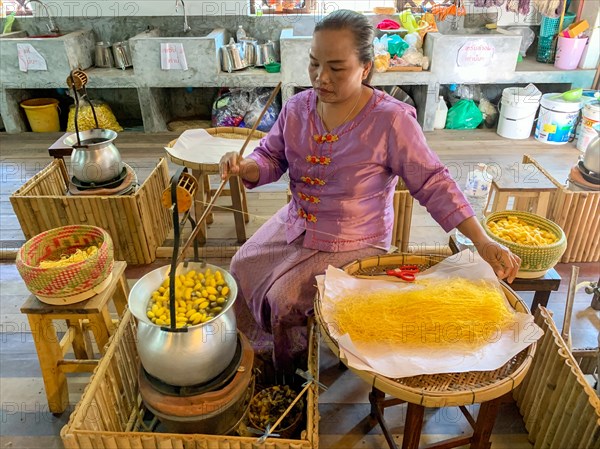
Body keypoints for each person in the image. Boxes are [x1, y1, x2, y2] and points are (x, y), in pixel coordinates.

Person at [219, 9, 521, 378]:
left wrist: (481, 238)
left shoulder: (391, 120)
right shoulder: (298, 107)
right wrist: (246, 167)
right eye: (314, 64)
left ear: (365, 67)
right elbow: (270, 156)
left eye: (336, 68)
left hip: (355, 238)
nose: (321, 77)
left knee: (284, 301)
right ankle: (257, 356)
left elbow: (433, 182)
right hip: (297, 222)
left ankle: (292, 377)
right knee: (241, 264)